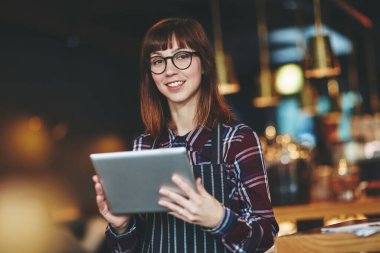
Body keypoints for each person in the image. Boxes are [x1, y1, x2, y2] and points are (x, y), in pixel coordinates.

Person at [92, 17, 278, 253]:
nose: (170, 70)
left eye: (182, 56)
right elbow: (131, 249)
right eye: (158, 61)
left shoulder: (238, 140)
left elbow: (265, 237)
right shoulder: (144, 146)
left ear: (204, 63)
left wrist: (218, 219)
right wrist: (121, 226)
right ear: (151, 74)